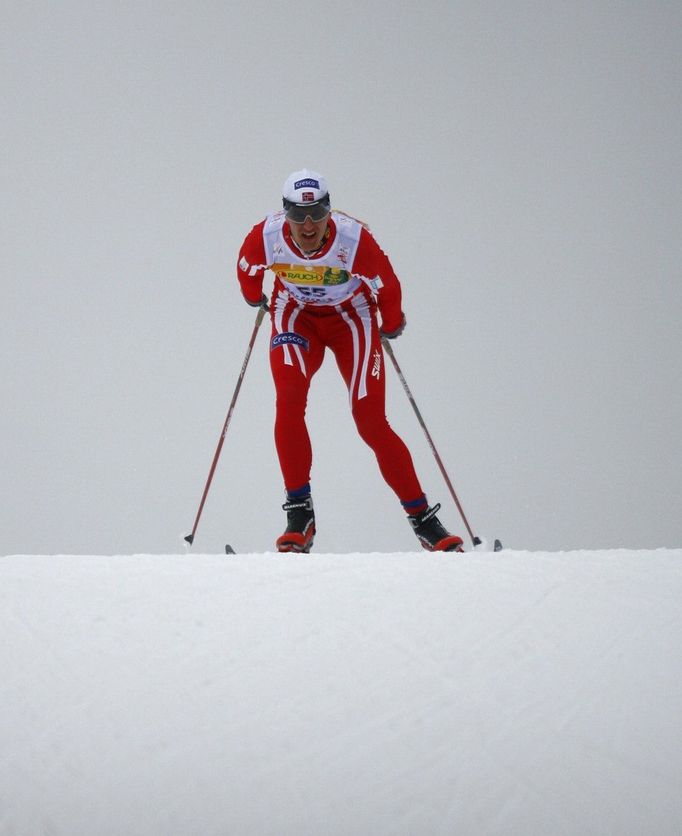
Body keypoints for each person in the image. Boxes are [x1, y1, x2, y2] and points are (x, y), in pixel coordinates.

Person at [236, 168, 463, 554]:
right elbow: (245, 267)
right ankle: (299, 515)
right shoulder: (266, 236)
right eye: (297, 216)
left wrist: (391, 324)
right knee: (288, 402)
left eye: (316, 215)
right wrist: (254, 297)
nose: (307, 226)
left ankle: (425, 521)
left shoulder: (354, 239)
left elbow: (388, 284)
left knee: (370, 420)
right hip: (296, 314)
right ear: (284, 214)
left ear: (329, 210)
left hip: (350, 318)